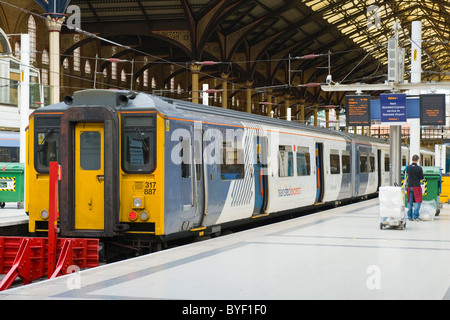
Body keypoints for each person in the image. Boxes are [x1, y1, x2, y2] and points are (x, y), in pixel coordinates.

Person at [405, 154, 424, 221]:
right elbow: (421, 178)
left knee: (409, 202)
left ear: (412, 159)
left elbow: (404, 174)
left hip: (409, 186)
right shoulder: (419, 168)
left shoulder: (408, 167)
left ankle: (409, 217)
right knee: (418, 201)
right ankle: (415, 216)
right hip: (416, 187)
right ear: (417, 160)